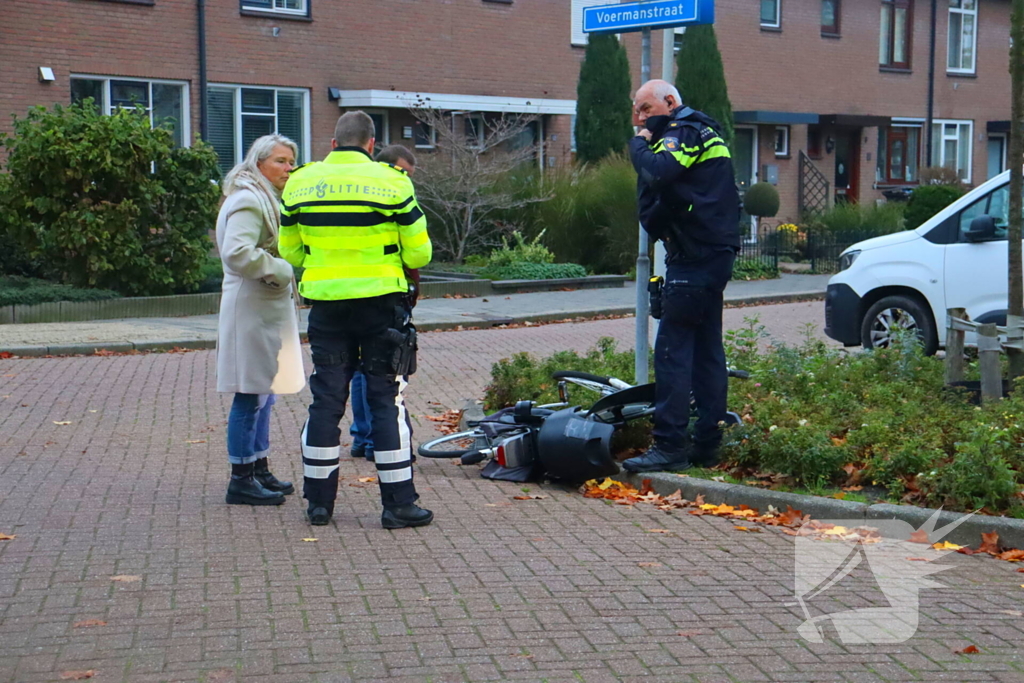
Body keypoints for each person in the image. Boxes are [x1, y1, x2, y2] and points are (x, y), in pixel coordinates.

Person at [280, 112, 433, 529]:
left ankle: (318, 504)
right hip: (381, 306)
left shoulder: (301, 182)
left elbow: (289, 251)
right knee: (386, 400)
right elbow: (419, 255)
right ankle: (398, 504)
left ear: (332, 144)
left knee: (325, 401)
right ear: (371, 145)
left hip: (327, 309)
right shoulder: (393, 182)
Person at [622, 79, 741, 473]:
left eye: (646, 109)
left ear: (670, 102)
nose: (640, 118)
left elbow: (660, 172)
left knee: (672, 351)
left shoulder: (683, 131)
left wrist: (638, 144)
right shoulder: (703, 131)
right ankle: (707, 444)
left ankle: (670, 445)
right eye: (637, 111)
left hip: (695, 257)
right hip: (709, 253)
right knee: (707, 351)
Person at [215, 134, 306, 505]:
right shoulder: (250, 200)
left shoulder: (262, 197)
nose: (289, 168)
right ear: (260, 163)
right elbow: (237, 253)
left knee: (264, 394)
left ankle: (258, 466)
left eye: (291, 161)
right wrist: (281, 269)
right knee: (250, 393)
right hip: (251, 308)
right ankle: (241, 478)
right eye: (281, 161)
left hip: (264, 308)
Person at [348, 144, 420, 462]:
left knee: (362, 370)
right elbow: (413, 251)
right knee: (377, 370)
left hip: (361, 291)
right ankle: (373, 438)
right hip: (380, 293)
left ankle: (363, 436)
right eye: (403, 172)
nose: (407, 179)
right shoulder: (387, 198)